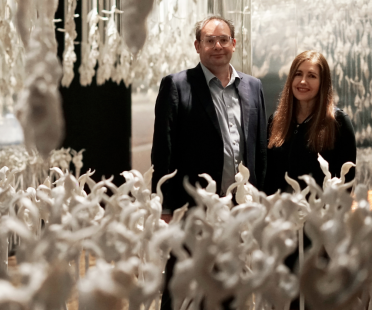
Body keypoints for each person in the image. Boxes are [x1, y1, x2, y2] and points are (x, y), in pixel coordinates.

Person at [151, 15, 267, 218]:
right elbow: (163, 152)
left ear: (233, 44)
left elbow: (260, 151)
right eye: (210, 40)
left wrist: (262, 200)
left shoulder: (253, 86)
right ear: (197, 46)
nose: (218, 46)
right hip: (195, 207)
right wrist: (164, 207)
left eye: (223, 40)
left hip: (244, 206)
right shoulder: (177, 86)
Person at [264, 50, 357, 196]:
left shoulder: (338, 122)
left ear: (323, 82)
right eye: (298, 74)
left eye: (312, 76)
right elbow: (268, 177)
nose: (302, 81)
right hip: (280, 209)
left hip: (319, 209)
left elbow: (345, 183)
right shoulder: (275, 120)